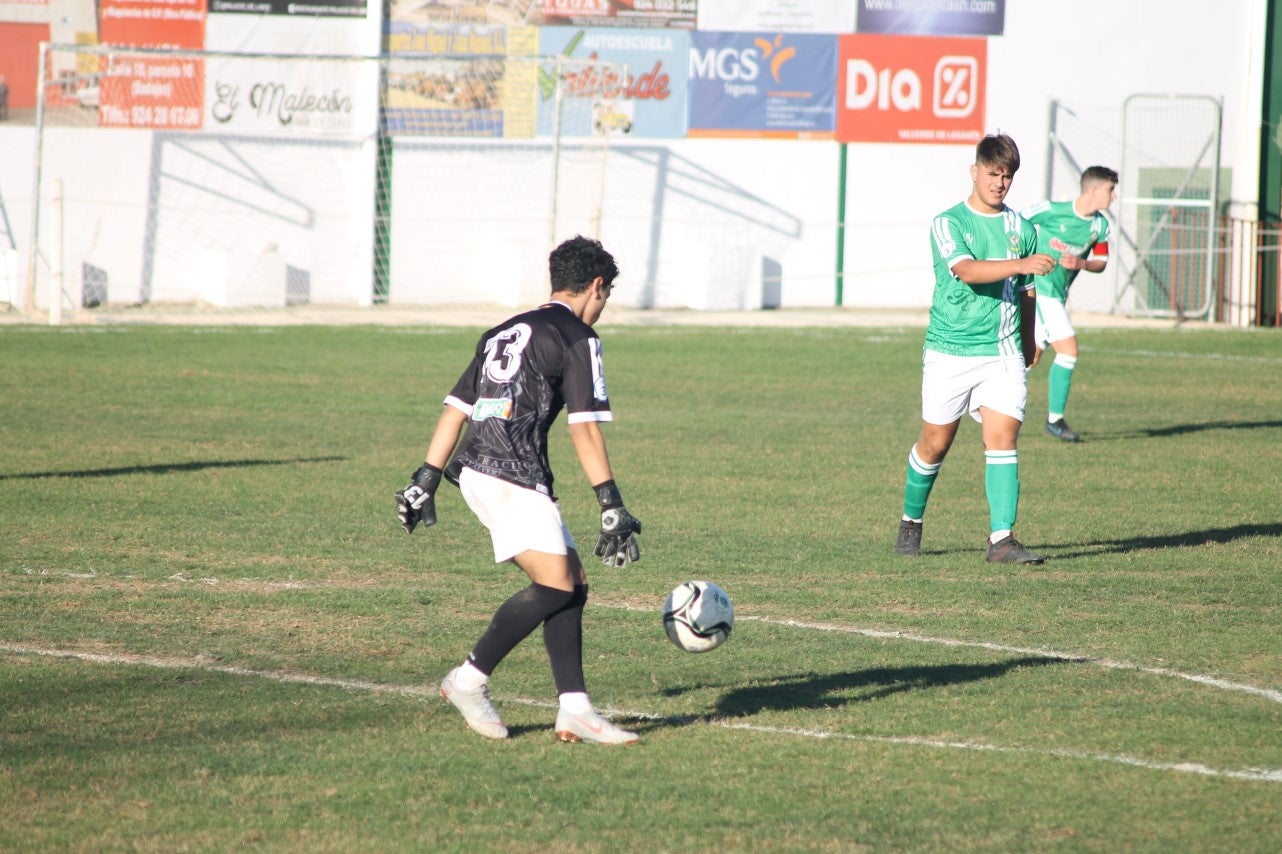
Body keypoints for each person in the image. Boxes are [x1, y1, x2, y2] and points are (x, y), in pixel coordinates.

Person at [396, 235, 643, 745]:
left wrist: (424, 477)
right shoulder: (577, 336)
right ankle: (468, 680)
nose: (603, 307)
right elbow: (584, 426)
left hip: (480, 471)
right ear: (596, 285)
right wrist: (610, 501)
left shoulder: (502, 331)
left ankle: (573, 708)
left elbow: (454, 409)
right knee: (555, 585)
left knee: (571, 583)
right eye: (607, 295)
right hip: (509, 475)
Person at [895, 133, 1056, 565]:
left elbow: (1026, 290)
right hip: (950, 350)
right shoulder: (948, 223)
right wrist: (1021, 263)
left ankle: (1001, 540)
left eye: (1007, 177)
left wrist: (1027, 338)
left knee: (1003, 437)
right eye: (992, 174)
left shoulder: (1021, 229)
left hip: (1000, 352)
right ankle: (911, 520)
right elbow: (966, 271)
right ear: (975, 171)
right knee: (935, 443)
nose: (999, 183)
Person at [1020, 166, 1118, 442]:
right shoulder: (1051, 210)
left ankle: (986, 398)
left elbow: (1102, 262)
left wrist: (1082, 263)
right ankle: (1055, 420)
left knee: (1031, 356)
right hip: (1040, 291)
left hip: (1057, 295)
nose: (1114, 196)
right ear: (1094, 190)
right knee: (1069, 350)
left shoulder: (1100, 226)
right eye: (1111, 190)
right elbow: (1014, 223)